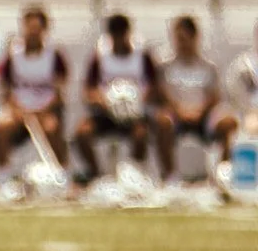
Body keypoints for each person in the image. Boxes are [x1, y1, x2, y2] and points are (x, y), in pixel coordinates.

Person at [74, 12, 156, 185]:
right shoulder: (100, 54)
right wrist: (103, 101)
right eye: (115, 36)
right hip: (107, 113)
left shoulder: (142, 53)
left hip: (135, 114)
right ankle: (97, 176)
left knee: (141, 134)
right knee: (82, 132)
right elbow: (89, 89)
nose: (119, 40)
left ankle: (135, 174)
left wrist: (138, 100)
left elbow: (154, 85)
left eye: (122, 35)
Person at [0, 5, 70, 180]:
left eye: (37, 28)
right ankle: (3, 173)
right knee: (2, 126)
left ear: (44, 29)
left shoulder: (55, 55)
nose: (33, 32)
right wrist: (18, 110)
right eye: (29, 28)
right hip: (19, 109)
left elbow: (60, 91)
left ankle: (61, 171)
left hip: (45, 108)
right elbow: (5, 89)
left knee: (51, 127)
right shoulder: (13, 54)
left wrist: (43, 111)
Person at [154, 15, 233, 187]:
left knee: (228, 123)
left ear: (194, 38)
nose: (180, 43)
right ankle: (170, 177)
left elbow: (215, 95)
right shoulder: (165, 64)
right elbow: (162, 93)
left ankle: (223, 176)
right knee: (162, 121)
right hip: (176, 115)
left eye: (183, 39)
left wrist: (200, 111)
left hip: (203, 116)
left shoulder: (209, 65)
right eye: (177, 39)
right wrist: (179, 111)